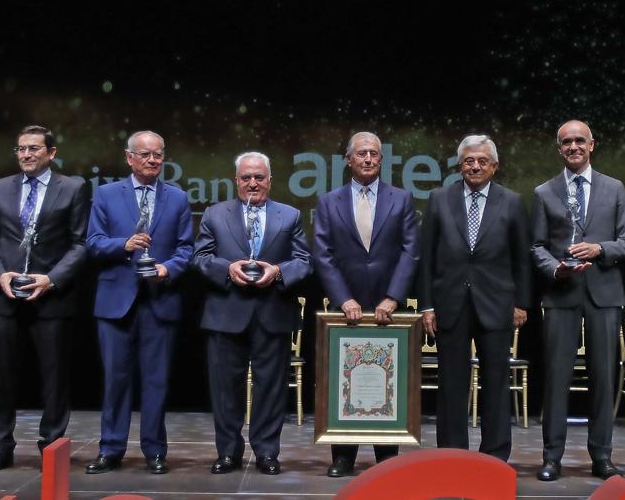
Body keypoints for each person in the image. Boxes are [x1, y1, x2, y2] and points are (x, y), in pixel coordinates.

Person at [0, 125, 88, 472]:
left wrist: (51, 279)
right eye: (21, 149)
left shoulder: (73, 188)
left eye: (34, 149)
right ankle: (1, 445)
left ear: (51, 153)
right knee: (1, 375)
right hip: (5, 297)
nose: (26, 154)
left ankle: (51, 446)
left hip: (51, 299)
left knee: (54, 379)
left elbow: (80, 243)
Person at [193, 152, 311, 476]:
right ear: (236, 181)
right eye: (246, 177)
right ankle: (228, 452)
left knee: (270, 389)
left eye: (259, 177)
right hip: (225, 313)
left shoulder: (290, 215)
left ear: (270, 181)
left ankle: (267, 452)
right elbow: (200, 257)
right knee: (224, 389)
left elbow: (304, 260)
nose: (252, 183)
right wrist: (226, 269)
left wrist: (279, 271)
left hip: (272, 312)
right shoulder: (215, 214)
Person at [84, 131, 194, 475]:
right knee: (115, 380)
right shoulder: (105, 194)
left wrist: (167, 268)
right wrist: (124, 245)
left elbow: (186, 249)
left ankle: (155, 450)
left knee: (156, 381)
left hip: (159, 300)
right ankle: (111, 448)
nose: (152, 160)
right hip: (116, 302)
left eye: (158, 155)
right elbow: (93, 242)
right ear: (129, 158)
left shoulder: (176, 198)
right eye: (144, 155)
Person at [531, 120, 625, 481]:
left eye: (580, 141)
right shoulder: (545, 192)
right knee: (556, 377)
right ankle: (552, 457)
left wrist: (600, 248)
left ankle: (602, 456)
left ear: (592, 145)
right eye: (566, 142)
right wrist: (556, 269)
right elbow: (537, 247)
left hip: (604, 293)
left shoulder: (615, 188)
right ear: (559, 149)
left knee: (603, 378)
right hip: (561, 294)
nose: (573, 146)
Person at [418, 134, 530, 461]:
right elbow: (426, 258)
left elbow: (521, 257)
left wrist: (521, 302)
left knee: (496, 383)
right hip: (449, 304)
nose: (475, 166)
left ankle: (494, 457)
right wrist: (426, 304)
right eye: (469, 160)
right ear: (459, 165)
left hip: (497, 305)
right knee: (451, 385)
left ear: (494, 166)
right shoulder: (439, 198)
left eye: (482, 161)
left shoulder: (511, 201)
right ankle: (452, 457)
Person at [313, 132, 418, 477]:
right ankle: (342, 457)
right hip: (347, 308)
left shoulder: (401, 199)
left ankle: (386, 455)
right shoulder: (328, 201)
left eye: (374, 154)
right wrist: (343, 298)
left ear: (381, 159)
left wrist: (394, 296)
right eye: (362, 154)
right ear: (348, 159)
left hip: (389, 305)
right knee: (345, 379)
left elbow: (409, 251)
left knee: (386, 381)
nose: (369, 159)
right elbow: (323, 254)